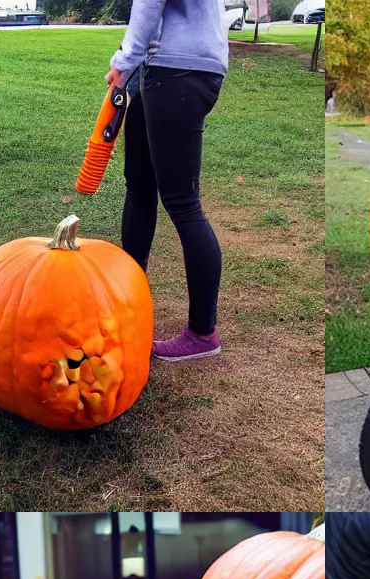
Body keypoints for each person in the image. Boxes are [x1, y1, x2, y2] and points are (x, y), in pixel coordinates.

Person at [108, 0, 229, 362]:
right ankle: (128, 303)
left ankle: (203, 333)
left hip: (177, 70)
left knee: (183, 203)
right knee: (140, 186)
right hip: (172, 69)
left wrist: (123, 60)